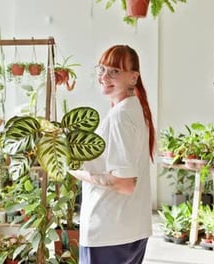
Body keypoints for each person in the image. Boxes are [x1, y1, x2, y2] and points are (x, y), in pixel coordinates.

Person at [69, 44, 156, 264]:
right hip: (126, 229)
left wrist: (77, 171)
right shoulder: (133, 110)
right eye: (101, 69)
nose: (104, 77)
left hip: (109, 231)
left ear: (133, 77)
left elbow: (125, 183)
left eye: (114, 71)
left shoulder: (122, 116)